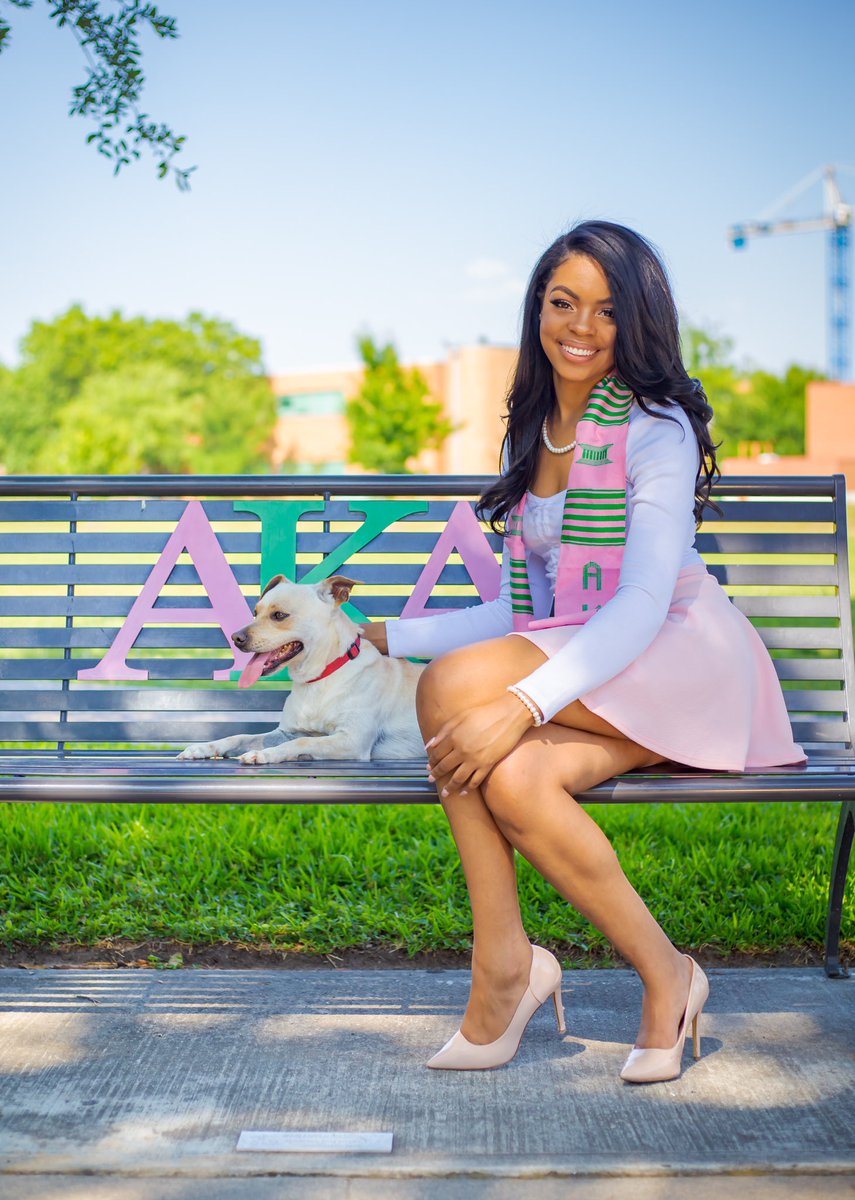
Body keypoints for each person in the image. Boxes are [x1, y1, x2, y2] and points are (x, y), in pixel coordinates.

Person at [360, 220, 806, 1084]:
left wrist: (521, 704)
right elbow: (525, 606)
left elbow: (638, 601)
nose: (580, 327)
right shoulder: (530, 432)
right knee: (515, 775)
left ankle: (504, 971)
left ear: (634, 322)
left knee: (453, 693)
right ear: (537, 310)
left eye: (605, 311)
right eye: (562, 303)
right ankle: (664, 975)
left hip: (679, 657)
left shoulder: (656, 428)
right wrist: (386, 637)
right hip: (595, 660)